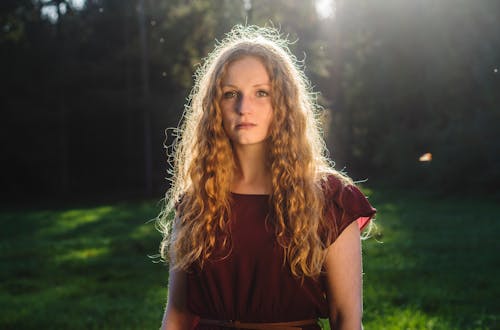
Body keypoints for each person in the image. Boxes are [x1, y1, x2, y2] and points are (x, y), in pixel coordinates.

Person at [158, 25, 376, 330]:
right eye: (230, 94)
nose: (243, 107)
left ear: (283, 104)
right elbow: (177, 316)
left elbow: (347, 319)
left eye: (262, 93)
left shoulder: (331, 198)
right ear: (214, 107)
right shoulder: (198, 200)